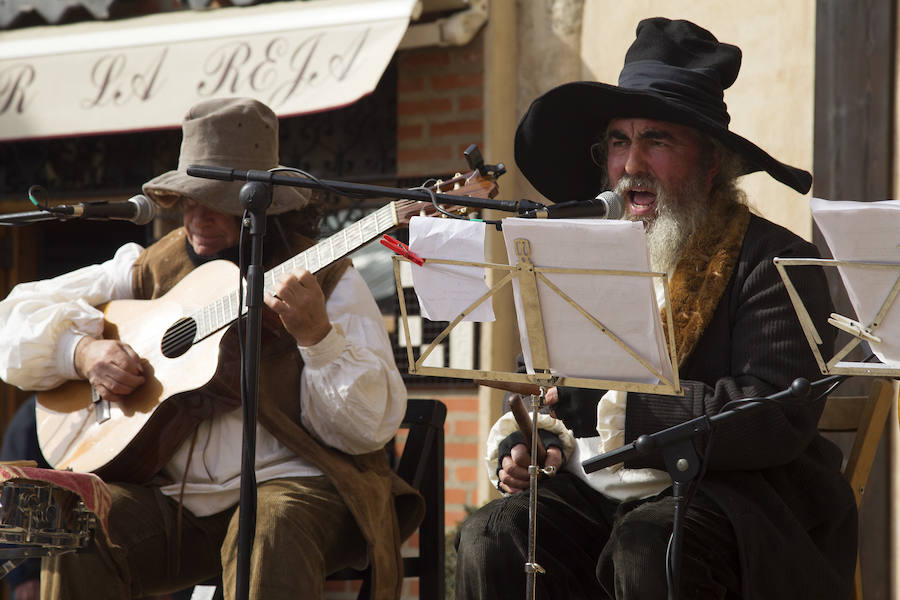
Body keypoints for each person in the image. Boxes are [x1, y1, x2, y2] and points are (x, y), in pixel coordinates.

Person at [455, 17, 857, 600]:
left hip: (733, 502)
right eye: (619, 142)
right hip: (597, 499)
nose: (631, 165)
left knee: (649, 542)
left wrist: (629, 407)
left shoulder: (773, 261)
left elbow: (775, 414)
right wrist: (532, 440)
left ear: (711, 162)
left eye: (657, 141)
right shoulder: (578, 258)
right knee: (493, 534)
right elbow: (542, 383)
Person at [0, 97, 423, 600]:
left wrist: (319, 339)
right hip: (177, 503)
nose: (197, 216)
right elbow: (12, 318)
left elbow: (368, 430)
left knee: (267, 525)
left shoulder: (327, 280)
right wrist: (82, 352)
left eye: (216, 200)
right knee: (81, 529)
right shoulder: (150, 266)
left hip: (301, 489)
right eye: (189, 198)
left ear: (259, 202)